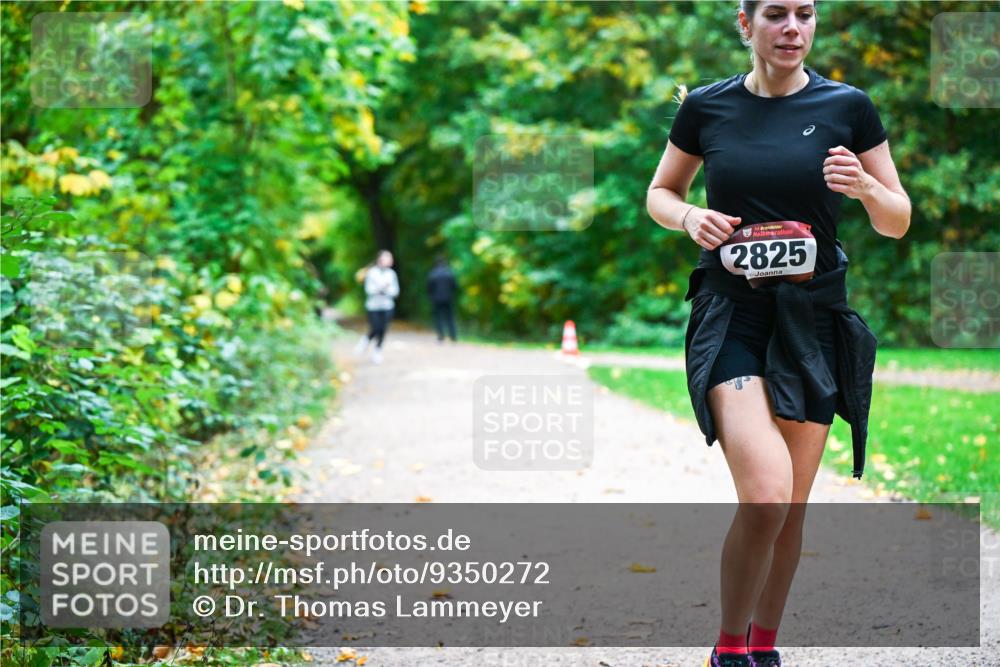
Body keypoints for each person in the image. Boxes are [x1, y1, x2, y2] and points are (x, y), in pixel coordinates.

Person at [645, 2, 911, 666]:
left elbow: (898, 217)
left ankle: (763, 648)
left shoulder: (849, 105)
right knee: (765, 494)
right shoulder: (708, 107)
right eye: (776, 14)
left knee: (790, 507)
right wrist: (688, 219)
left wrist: (866, 192)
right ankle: (729, 648)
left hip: (813, 318)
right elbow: (660, 192)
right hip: (733, 312)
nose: (792, 27)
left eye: (805, 14)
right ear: (746, 24)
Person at [354, 250, 399, 364]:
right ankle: (365, 341)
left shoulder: (391, 274)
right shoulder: (372, 273)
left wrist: (385, 289)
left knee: (383, 329)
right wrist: (381, 288)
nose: (390, 261)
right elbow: (369, 290)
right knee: (375, 328)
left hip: (387, 306)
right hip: (373, 306)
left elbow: (395, 291)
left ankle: (377, 351)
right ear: (380, 259)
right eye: (387, 258)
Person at [426, 254, 458, 342]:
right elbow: (455, 286)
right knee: (450, 317)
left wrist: (431, 296)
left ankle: (441, 335)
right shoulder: (449, 273)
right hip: (448, 298)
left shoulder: (433, 274)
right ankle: (453, 336)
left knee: (438, 318)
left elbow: (429, 288)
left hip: (436, 299)